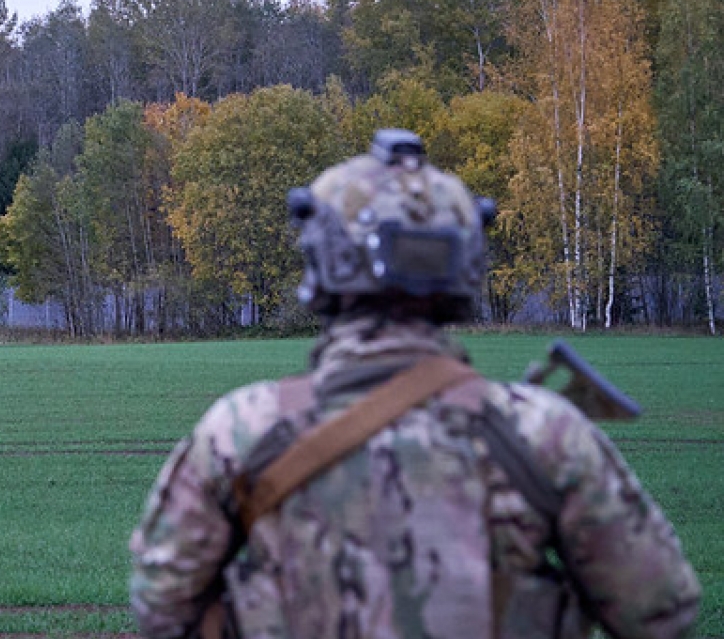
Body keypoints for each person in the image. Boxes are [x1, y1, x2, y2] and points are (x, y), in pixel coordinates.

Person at [129, 129, 699, 639]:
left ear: (323, 257)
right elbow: (659, 610)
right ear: (464, 262)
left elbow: (161, 606)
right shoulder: (543, 434)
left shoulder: (243, 430)